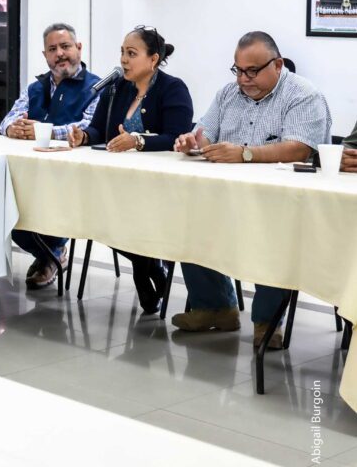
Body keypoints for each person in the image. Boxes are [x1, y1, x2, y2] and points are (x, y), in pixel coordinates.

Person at [171, 31, 332, 348]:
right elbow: (205, 134)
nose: (243, 79)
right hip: (226, 196)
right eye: (238, 70)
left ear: (278, 64)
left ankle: (267, 323)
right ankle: (215, 308)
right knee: (191, 215)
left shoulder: (303, 95)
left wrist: (245, 154)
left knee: (272, 234)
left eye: (252, 71)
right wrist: (192, 142)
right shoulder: (227, 94)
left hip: (281, 202)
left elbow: (300, 148)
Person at [68, 26, 194, 312]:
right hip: (117, 182)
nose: (124, 60)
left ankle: (143, 269)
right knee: (93, 215)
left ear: (153, 59)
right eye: (122, 52)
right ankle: (148, 265)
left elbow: (177, 137)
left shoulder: (173, 89)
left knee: (123, 217)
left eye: (132, 53)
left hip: (158, 186)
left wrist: (138, 140)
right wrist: (83, 136)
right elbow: (100, 129)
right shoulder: (116, 88)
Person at [0, 23, 101, 290]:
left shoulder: (96, 87)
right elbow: (8, 119)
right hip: (29, 173)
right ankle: (51, 254)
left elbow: (89, 125)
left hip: (70, 177)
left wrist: (44, 131)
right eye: (52, 49)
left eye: (65, 47)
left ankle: (51, 253)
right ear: (45, 55)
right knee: (5, 208)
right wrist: (12, 128)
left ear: (79, 48)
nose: (60, 54)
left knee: (39, 209)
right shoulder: (36, 87)